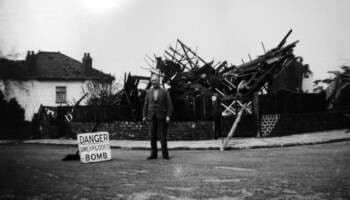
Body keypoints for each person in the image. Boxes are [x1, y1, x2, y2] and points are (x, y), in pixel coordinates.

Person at [143, 73, 173, 160]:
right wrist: (144, 116)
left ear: (159, 81)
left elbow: (169, 105)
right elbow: (145, 104)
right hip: (151, 117)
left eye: (155, 80)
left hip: (161, 117)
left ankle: (165, 154)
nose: (154, 82)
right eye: (152, 80)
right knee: (152, 136)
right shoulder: (148, 92)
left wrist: (168, 116)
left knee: (163, 136)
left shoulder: (164, 92)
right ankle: (153, 154)